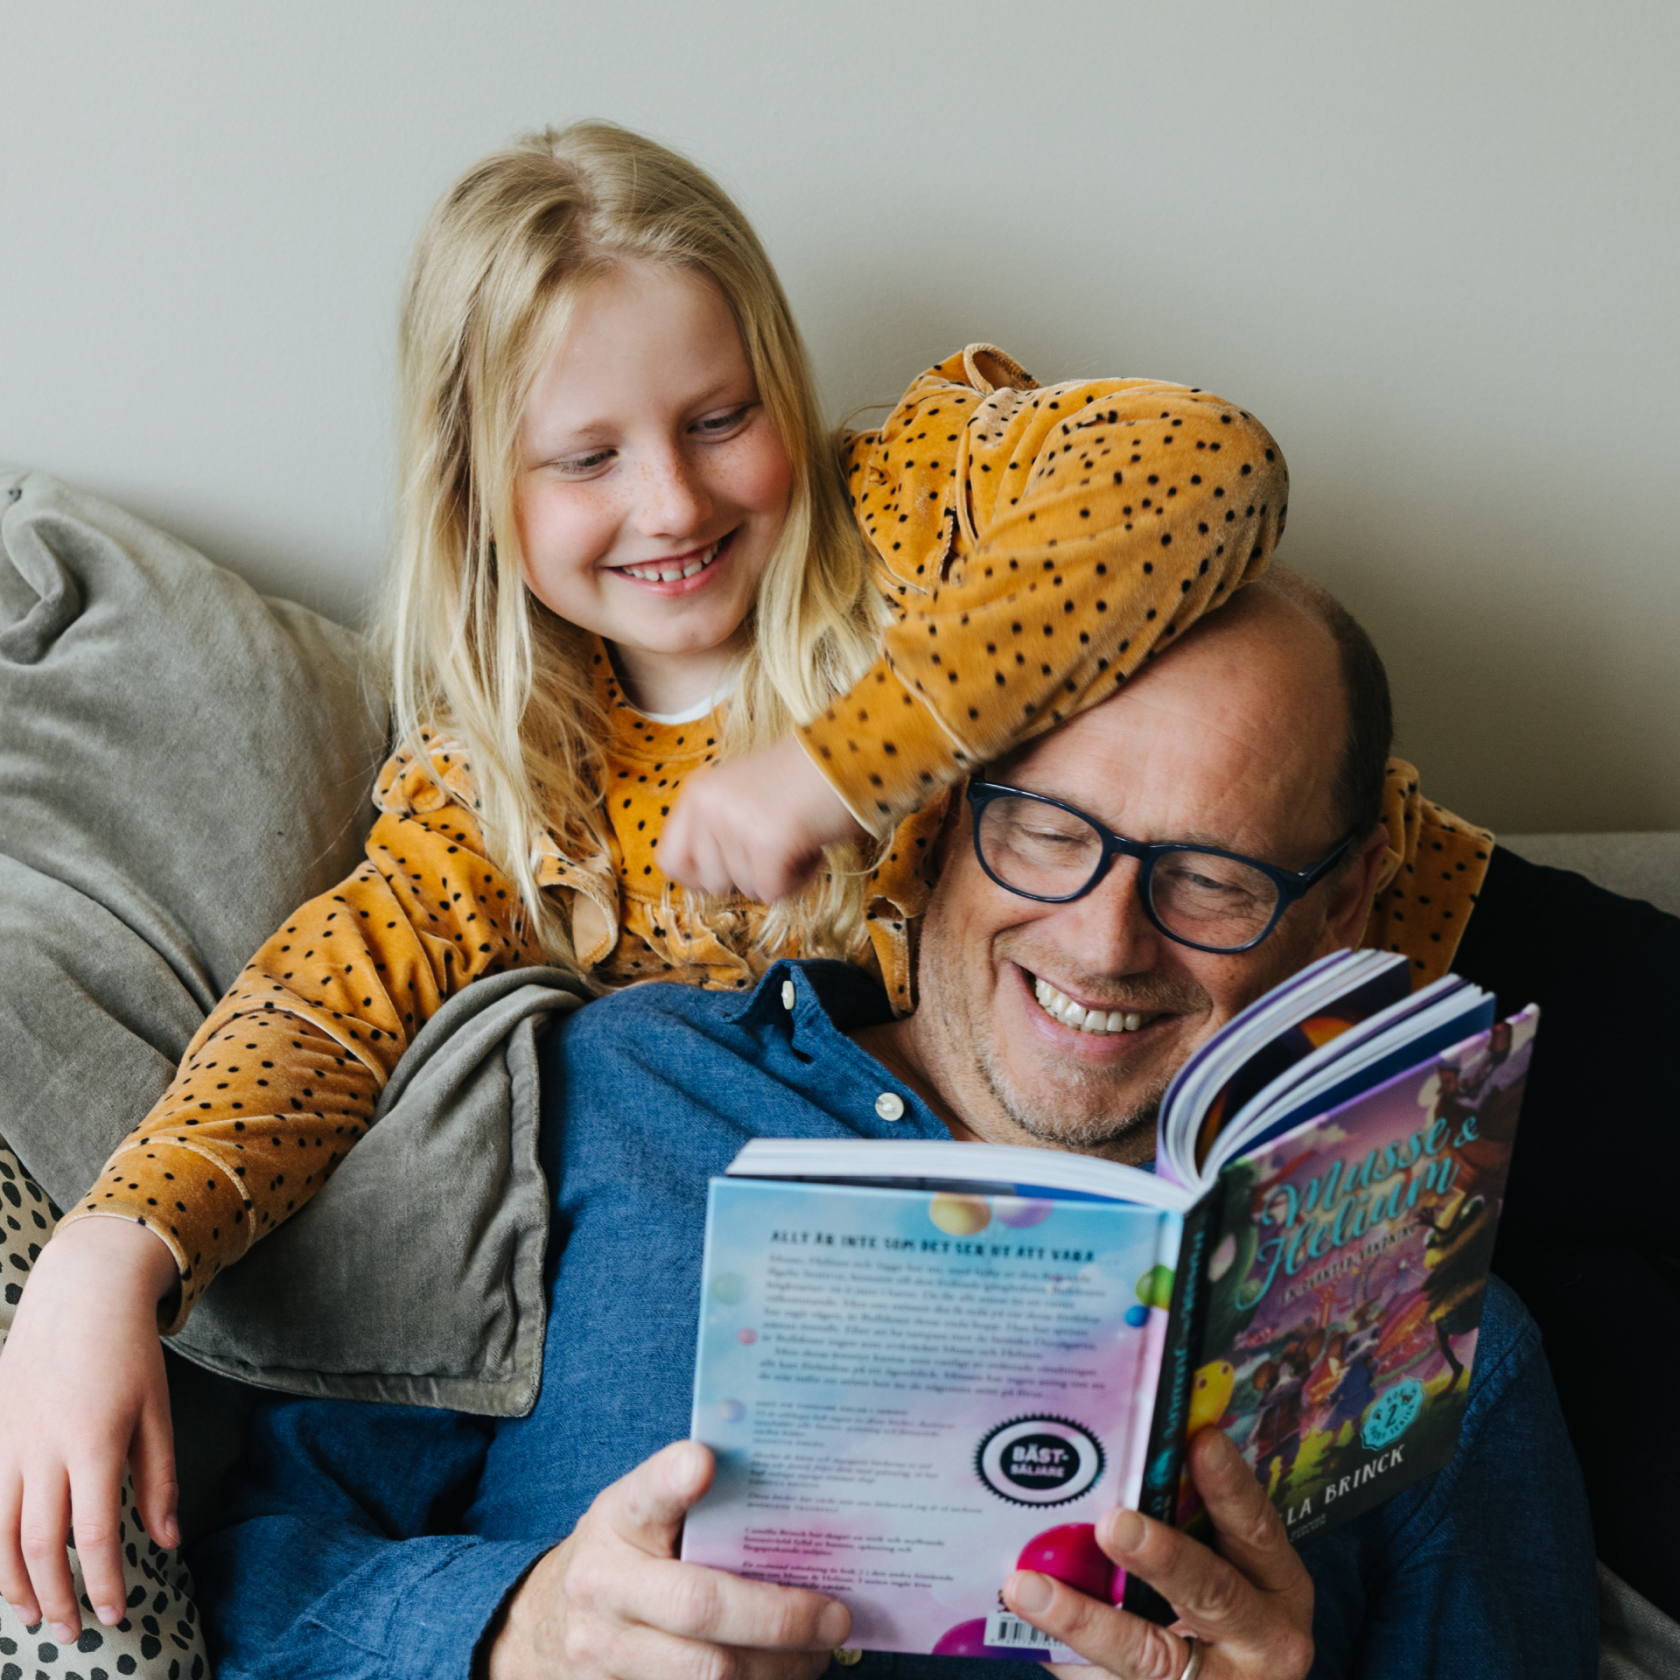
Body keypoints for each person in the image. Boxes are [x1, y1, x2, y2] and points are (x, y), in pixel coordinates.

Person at [0, 119, 1309, 1644]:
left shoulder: (914, 510)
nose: (675, 503)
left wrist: (842, 765)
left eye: (719, 419)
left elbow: (1215, 467)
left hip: (1366, 936)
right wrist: (113, 1251)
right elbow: (321, 1010)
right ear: (478, 491)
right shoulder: (510, 788)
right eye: (588, 459)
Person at [185, 573, 1599, 1680]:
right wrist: (519, 1633)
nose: (1105, 944)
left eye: (1213, 878)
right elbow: (229, 1588)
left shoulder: (1428, 1338)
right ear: (934, 816)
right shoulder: (611, 1093)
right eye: (1048, 831)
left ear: (1342, 905)